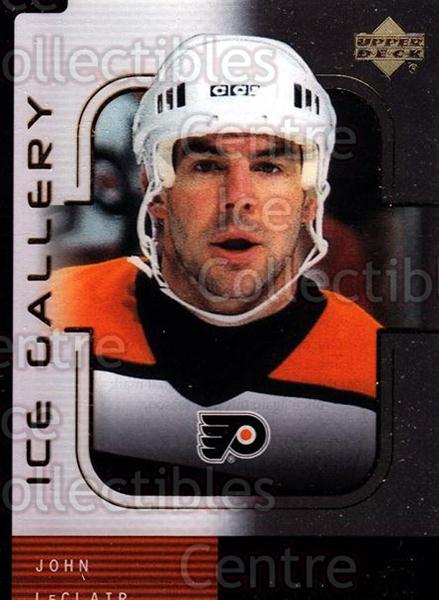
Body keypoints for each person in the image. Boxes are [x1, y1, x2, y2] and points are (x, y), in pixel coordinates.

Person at [50, 35, 381, 497]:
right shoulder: (51, 315)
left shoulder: (375, 364)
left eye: (269, 167)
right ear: (154, 189)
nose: (238, 199)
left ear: (311, 197)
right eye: (206, 165)